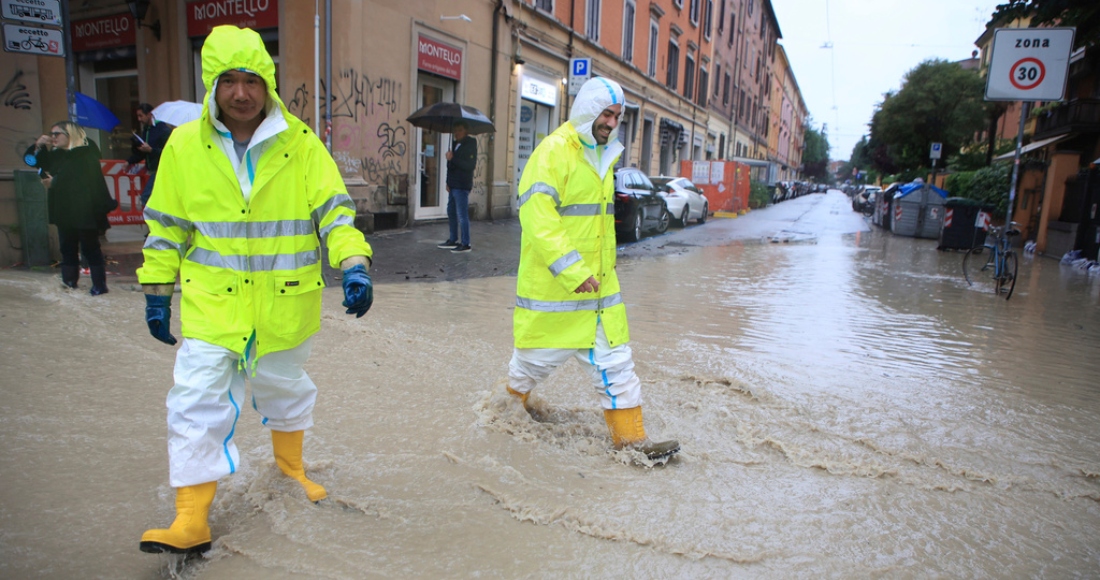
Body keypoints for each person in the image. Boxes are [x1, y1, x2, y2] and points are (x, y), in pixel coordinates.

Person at [137, 25, 375, 555]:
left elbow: (335, 213)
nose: (240, 93)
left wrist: (354, 264)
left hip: (284, 307)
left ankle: (291, 471)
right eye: (228, 82)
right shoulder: (183, 146)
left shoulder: (301, 144)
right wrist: (157, 291)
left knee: (285, 392)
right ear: (211, 86)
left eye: (251, 80)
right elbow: (167, 225)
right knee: (195, 401)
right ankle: (191, 518)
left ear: (267, 84)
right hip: (212, 307)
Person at [505, 77, 679, 461]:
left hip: (599, 295)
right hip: (557, 298)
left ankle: (633, 446)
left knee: (618, 366)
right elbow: (537, 219)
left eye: (617, 116)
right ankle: (500, 417)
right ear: (587, 110)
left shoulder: (603, 156)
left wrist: (595, 273)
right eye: (606, 113)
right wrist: (573, 271)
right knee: (528, 369)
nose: (612, 122)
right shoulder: (552, 154)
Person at [23, 121, 114, 295]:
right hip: (64, 209)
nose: (53, 138)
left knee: (90, 247)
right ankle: (69, 283)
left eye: (57, 134)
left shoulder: (86, 151)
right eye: (52, 134)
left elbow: (81, 177)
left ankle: (99, 286)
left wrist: (54, 182)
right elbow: (31, 161)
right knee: (67, 247)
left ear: (70, 134)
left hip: (85, 208)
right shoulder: (57, 154)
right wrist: (38, 145)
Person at [436, 120, 477, 253]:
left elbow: (469, 165)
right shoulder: (454, 145)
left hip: (462, 184)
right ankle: (453, 239)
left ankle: (466, 243)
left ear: (465, 131)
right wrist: (448, 181)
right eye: (455, 130)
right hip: (453, 185)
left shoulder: (470, 144)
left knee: (461, 214)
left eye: (459, 130)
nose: (456, 133)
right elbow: (450, 167)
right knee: (451, 212)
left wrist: (453, 159)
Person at [127, 103, 174, 205]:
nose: (139, 119)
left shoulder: (163, 130)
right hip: (154, 169)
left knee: (146, 197)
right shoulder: (147, 130)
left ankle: (152, 219)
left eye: (141, 116)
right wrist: (130, 160)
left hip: (161, 169)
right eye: (138, 116)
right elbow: (142, 153)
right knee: (155, 198)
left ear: (149, 114)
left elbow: (168, 153)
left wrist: (151, 150)